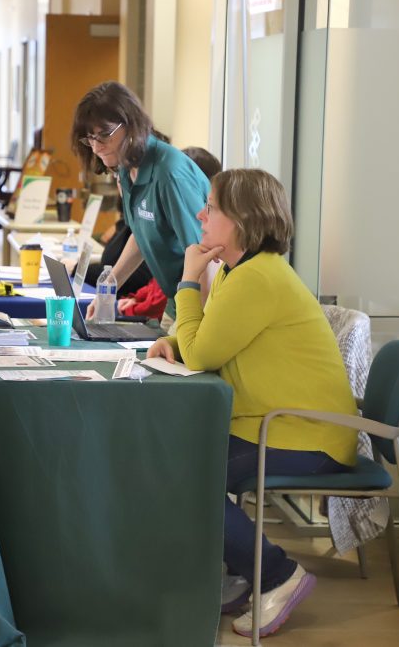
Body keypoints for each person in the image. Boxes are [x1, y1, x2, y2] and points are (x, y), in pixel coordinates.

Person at [146, 169, 358, 638]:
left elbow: (203, 353)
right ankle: (245, 574)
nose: (201, 214)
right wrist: (172, 342)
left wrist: (187, 278)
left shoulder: (256, 278)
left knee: (185, 479)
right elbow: (210, 340)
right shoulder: (238, 272)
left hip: (306, 436)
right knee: (176, 467)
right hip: (278, 426)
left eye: (213, 208)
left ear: (242, 219)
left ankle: (278, 576)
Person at [71, 82, 209, 320]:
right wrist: (108, 289)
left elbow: (202, 253)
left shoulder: (169, 173)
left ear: (132, 126)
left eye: (104, 135)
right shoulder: (126, 168)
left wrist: (201, 324)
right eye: (90, 138)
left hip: (202, 304)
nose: (96, 147)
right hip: (176, 301)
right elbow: (142, 233)